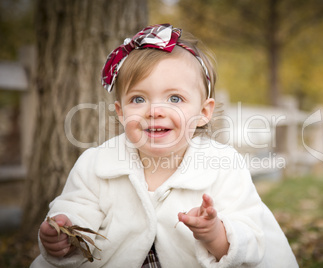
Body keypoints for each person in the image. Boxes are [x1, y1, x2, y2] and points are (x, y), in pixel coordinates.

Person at [31, 24, 298, 267]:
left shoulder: (223, 165)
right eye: (138, 99)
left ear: (204, 112)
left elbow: (249, 233)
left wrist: (215, 233)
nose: (155, 110)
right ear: (121, 112)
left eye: (174, 98)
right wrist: (64, 236)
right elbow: (77, 209)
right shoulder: (97, 163)